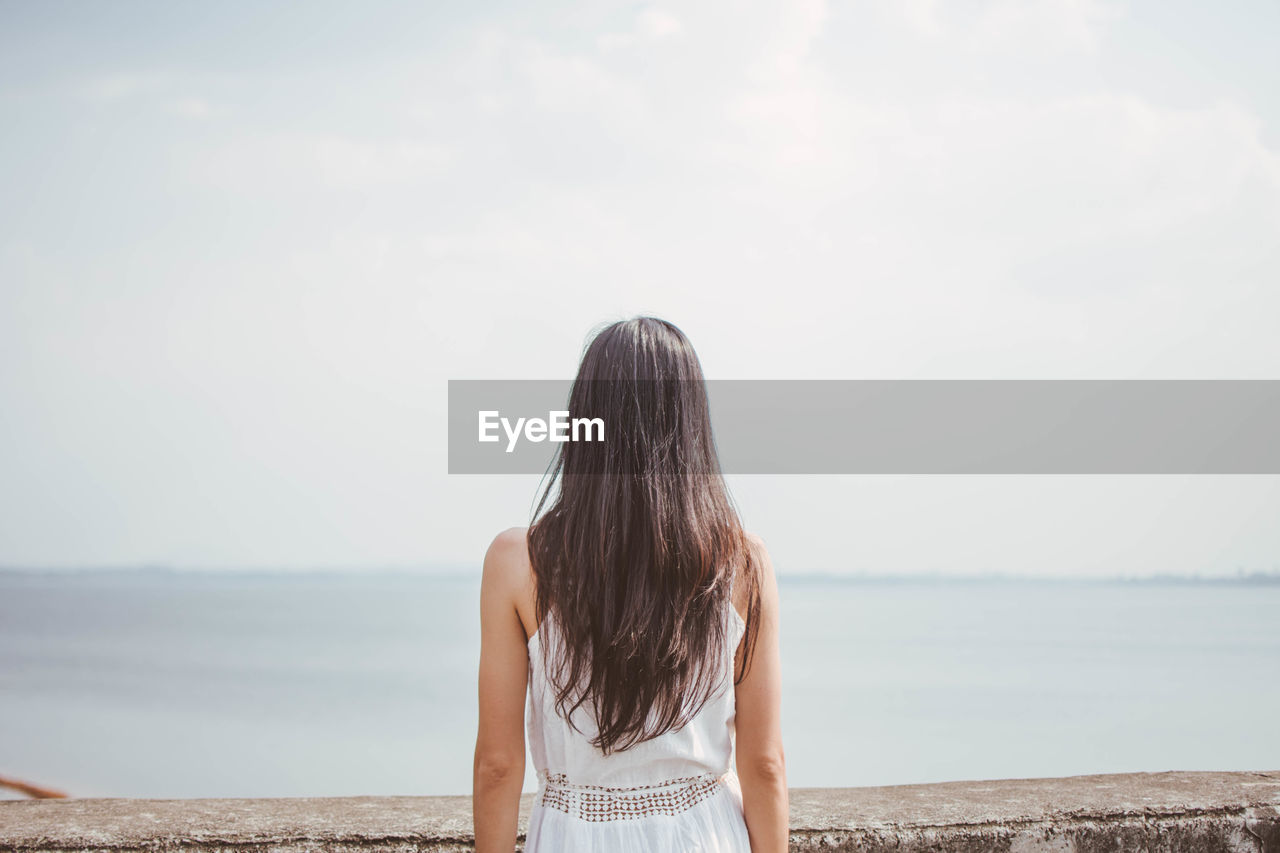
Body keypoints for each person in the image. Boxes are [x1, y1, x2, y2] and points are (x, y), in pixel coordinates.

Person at [472, 316, 788, 852]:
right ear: (690, 423)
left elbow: (498, 767)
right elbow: (764, 764)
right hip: (704, 835)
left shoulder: (518, 561)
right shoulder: (742, 563)